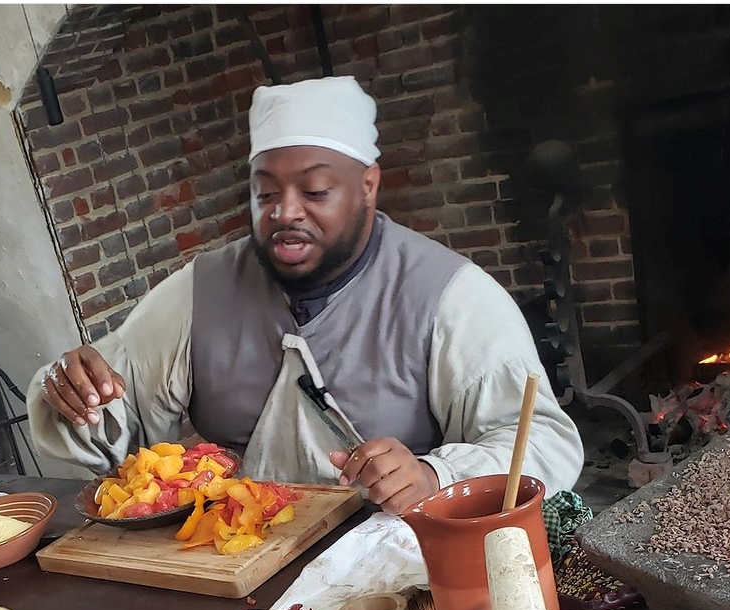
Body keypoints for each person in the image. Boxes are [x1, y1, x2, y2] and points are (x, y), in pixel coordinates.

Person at [29, 75, 584, 514]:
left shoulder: (452, 296)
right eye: (264, 192)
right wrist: (78, 396)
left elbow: (542, 444)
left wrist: (437, 475)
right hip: (237, 556)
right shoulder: (199, 293)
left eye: (314, 191)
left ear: (368, 185)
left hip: (400, 563)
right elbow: (111, 425)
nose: (285, 212)